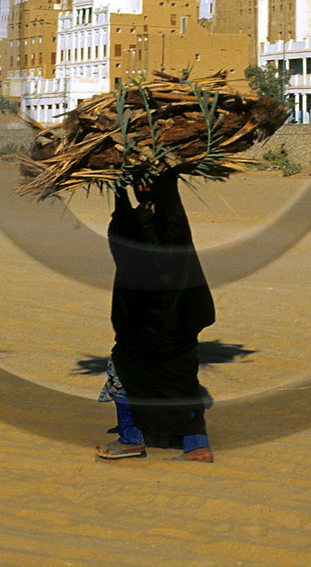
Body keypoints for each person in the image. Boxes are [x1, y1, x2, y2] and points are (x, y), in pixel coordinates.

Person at [98, 171, 215, 463]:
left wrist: (119, 189)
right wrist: (163, 181)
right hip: (182, 322)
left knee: (122, 371)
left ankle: (130, 439)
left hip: (146, 327)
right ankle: (197, 446)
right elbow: (167, 210)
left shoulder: (138, 239)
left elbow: (121, 229)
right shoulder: (175, 235)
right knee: (182, 380)